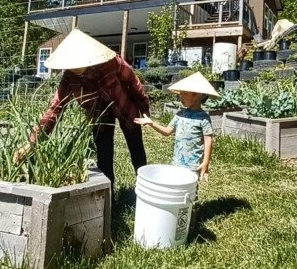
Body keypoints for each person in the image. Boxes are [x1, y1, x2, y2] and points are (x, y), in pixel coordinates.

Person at [16, 28, 150, 184]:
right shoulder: (69, 77)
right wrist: (32, 142)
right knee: (103, 153)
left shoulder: (112, 63)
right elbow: (55, 109)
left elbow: (133, 82)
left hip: (124, 105)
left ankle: (144, 187)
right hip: (99, 114)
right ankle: (108, 195)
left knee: (136, 148)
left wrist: (144, 108)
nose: (74, 68)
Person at [134, 72, 218, 182]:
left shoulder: (203, 118)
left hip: (193, 165)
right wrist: (152, 123)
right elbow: (167, 131)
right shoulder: (180, 115)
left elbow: (208, 141)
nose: (181, 97)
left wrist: (206, 162)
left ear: (198, 95)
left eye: (185, 94)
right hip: (177, 162)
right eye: (181, 94)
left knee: (190, 189)